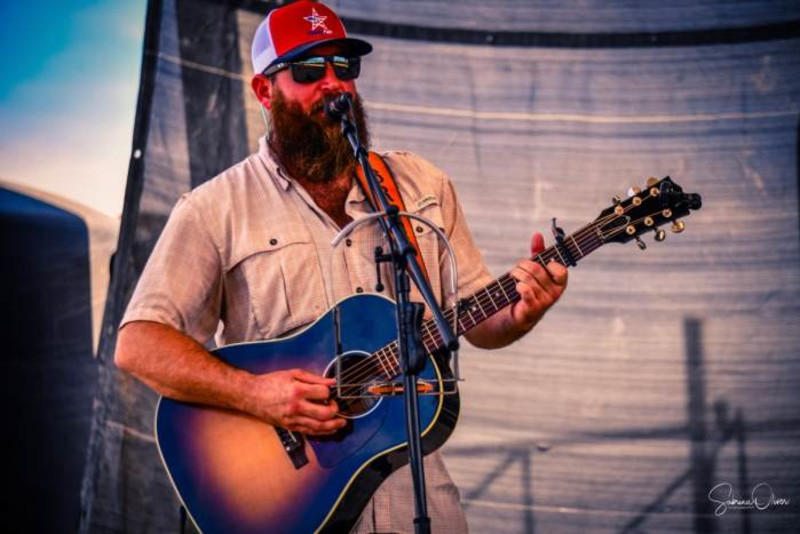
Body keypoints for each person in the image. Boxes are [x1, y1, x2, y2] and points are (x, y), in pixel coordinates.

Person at [114, 1, 568, 532]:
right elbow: (139, 344)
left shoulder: (421, 187)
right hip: (290, 501)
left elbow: (477, 317)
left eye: (344, 68)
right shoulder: (216, 207)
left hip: (413, 487)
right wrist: (259, 395)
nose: (334, 85)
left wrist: (523, 309)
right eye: (309, 70)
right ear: (266, 92)